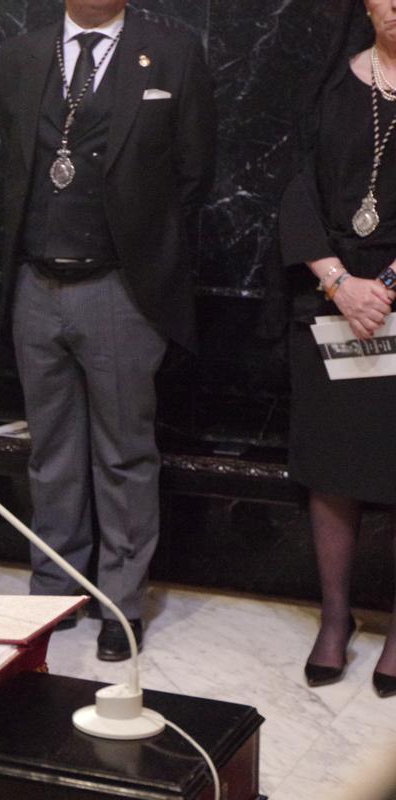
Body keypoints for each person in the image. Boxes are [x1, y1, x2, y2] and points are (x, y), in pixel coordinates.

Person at [0, 0, 216, 661]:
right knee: (50, 451)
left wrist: (149, 258)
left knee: (124, 453)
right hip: (35, 284)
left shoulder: (172, 52)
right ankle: (55, 588)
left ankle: (121, 600)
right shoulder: (23, 54)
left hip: (121, 288)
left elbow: (195, 174)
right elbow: (8, 165)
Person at [278, 0, 396, 699]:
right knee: (331, 468)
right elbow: (297, 191)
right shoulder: (329, 83)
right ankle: (333, 618)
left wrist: (386, 289)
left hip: (392, 298)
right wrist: (340, 284)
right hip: (332, 301)